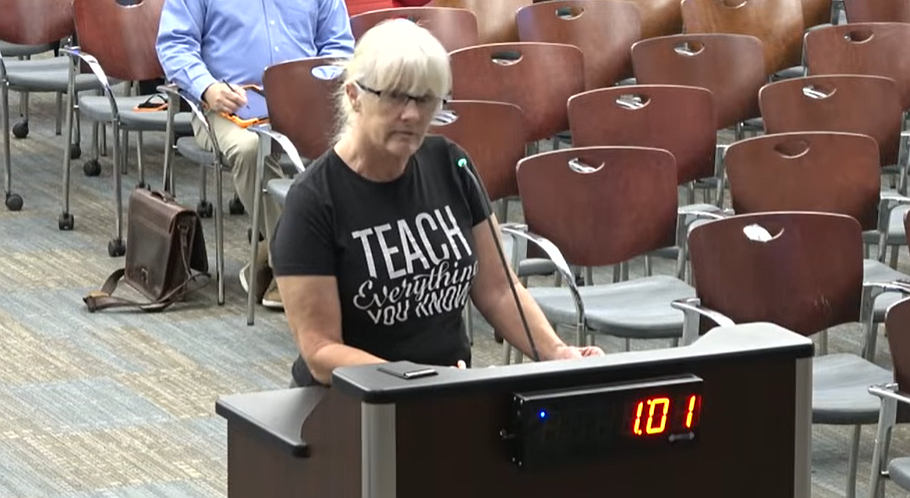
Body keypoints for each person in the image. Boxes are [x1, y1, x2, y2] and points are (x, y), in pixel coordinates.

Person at [271, 19, 604, 388]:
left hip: (445, 390)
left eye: (426, 98)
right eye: (395, 96)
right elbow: (320, 351)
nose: (412, 115)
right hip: (354, 405)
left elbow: (498, 290)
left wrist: (557, 353)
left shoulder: (450, 163)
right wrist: (418, 382)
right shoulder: (314, 202)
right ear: (354, 95)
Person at [156, 0, 356, 310]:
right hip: (224, 107)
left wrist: (314, 86)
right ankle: (296, 265)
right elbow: (174, 45)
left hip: (302, 104)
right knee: (251, 148)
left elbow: (339, 47)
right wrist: (207, 87)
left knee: (363, 142)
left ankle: (281, 251)